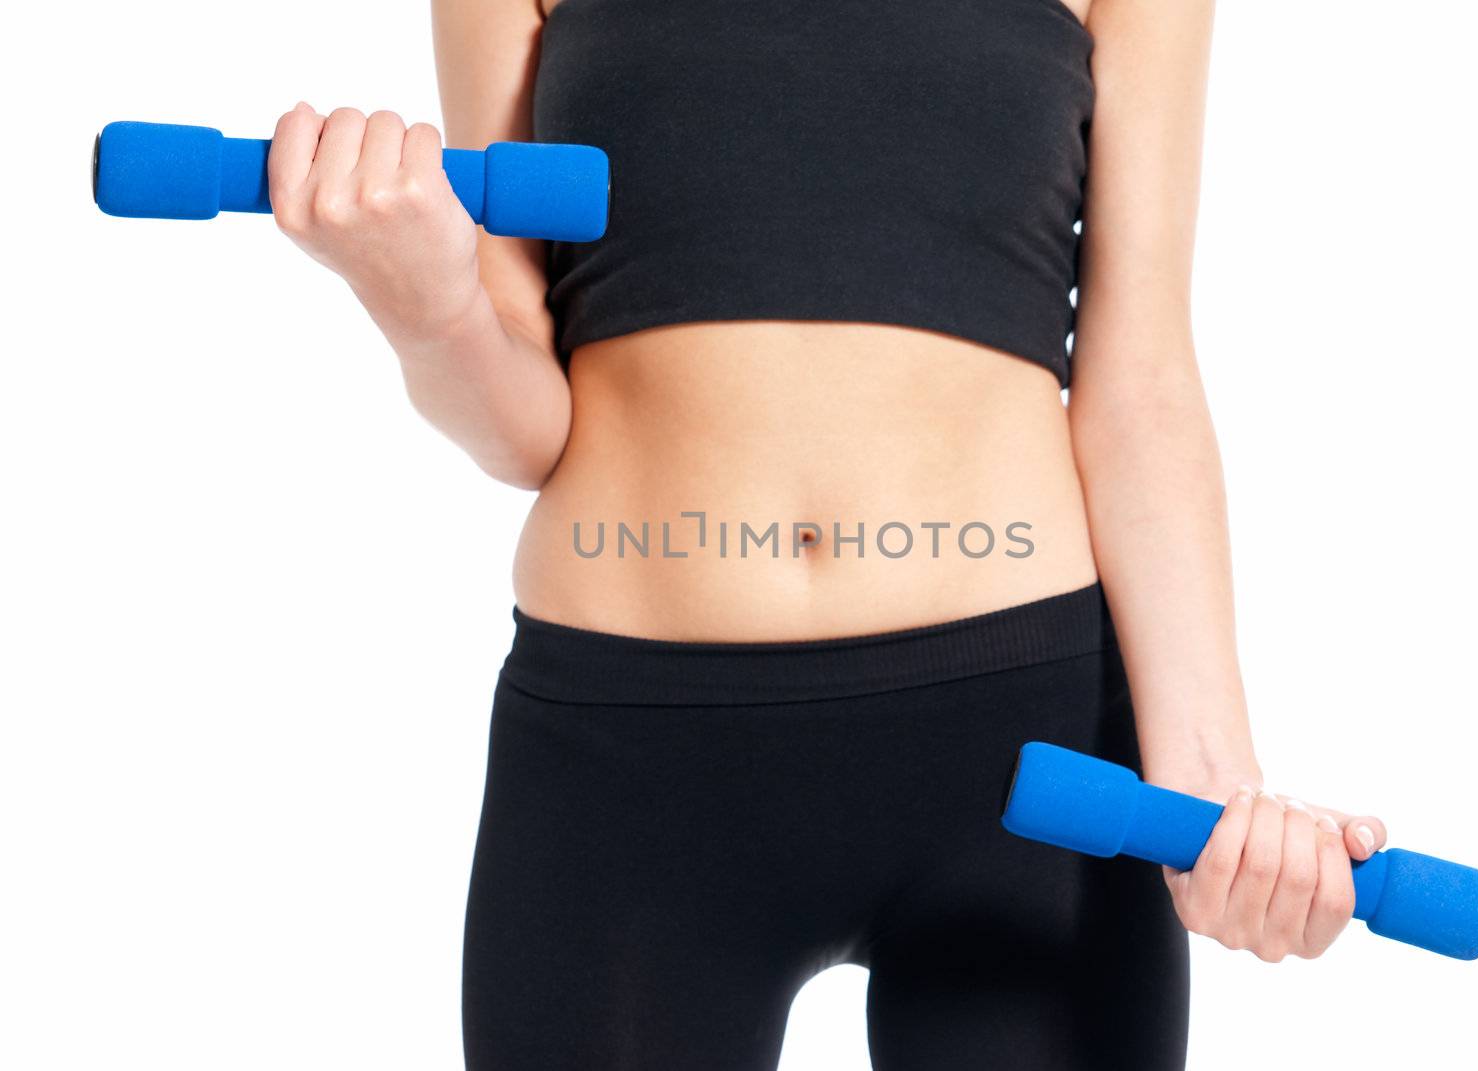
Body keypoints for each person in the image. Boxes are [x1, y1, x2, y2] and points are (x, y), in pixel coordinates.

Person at [265, 0, 1389, 1066]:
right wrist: (422, 303)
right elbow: (525, 423)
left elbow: (1138, 378)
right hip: (632, 763)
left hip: (1026, 753)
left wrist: (1216, 786)